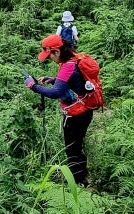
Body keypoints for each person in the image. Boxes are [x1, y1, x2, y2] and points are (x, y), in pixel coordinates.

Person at [25, 34, 93, 185]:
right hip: (86, 110)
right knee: (78, 144)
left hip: (75, 115)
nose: (50, 59)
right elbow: (75, 81)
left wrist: (33, 86)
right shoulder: (75, 59)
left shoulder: (67, 66)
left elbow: (55, 93)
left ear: (57, 51)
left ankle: (77, 182)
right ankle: (83, 175)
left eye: (50, 55)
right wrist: (54, 80)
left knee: (72, 149)